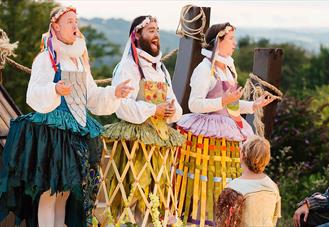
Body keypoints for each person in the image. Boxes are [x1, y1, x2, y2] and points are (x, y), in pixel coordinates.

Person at [0, 6, 132, 227]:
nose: (75, 25)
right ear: (56, 26)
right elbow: (33, 94)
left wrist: (114, 92)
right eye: (70, 21)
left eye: (76, 21)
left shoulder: (80, 60)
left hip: (77, 130)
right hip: (54, 132)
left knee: (65, 193)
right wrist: (54, 90)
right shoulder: (46, 58)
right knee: (50, 191)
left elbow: (91, 95)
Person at [174, 22, 277, 225]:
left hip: (227, 133)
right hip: (208, 134)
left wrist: (253, 105)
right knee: (207, 179)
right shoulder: (204, 69)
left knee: (226, 177)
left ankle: (225, 219)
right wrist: (222, 101)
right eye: (230, 39)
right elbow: (194, 104)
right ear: (218, 41)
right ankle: (202, 219)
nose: (234, 44)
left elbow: (232, 105)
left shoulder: (228, 68)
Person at [97, 15, 184, 226]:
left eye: (157, 30)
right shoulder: (128, 66)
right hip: (135, 144)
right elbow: (121, 106)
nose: (156, 35)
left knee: (156, 195)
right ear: (137, 35)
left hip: (159, 142)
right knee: (132, 194)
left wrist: (171, 110)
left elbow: (175, 105)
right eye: (151, 31)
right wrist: (153, 109)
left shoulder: (160, 69)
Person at [216, 135, 281, 227]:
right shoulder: (273, 186)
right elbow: (274, 220)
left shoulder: (233, 188)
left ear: (243, 155)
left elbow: (223, 223)